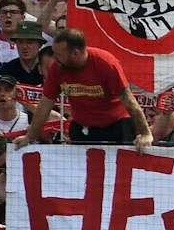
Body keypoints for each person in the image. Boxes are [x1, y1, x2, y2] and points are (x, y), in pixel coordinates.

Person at [23, 28, 152, 146]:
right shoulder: (57, 68)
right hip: (82, 127)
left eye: (59, 54)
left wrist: (146, 134)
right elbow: (45, 103)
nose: (55, 58)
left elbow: (129, 100)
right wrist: (30, 136)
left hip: (116, 126)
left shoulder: (105, 63)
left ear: (76, 53)